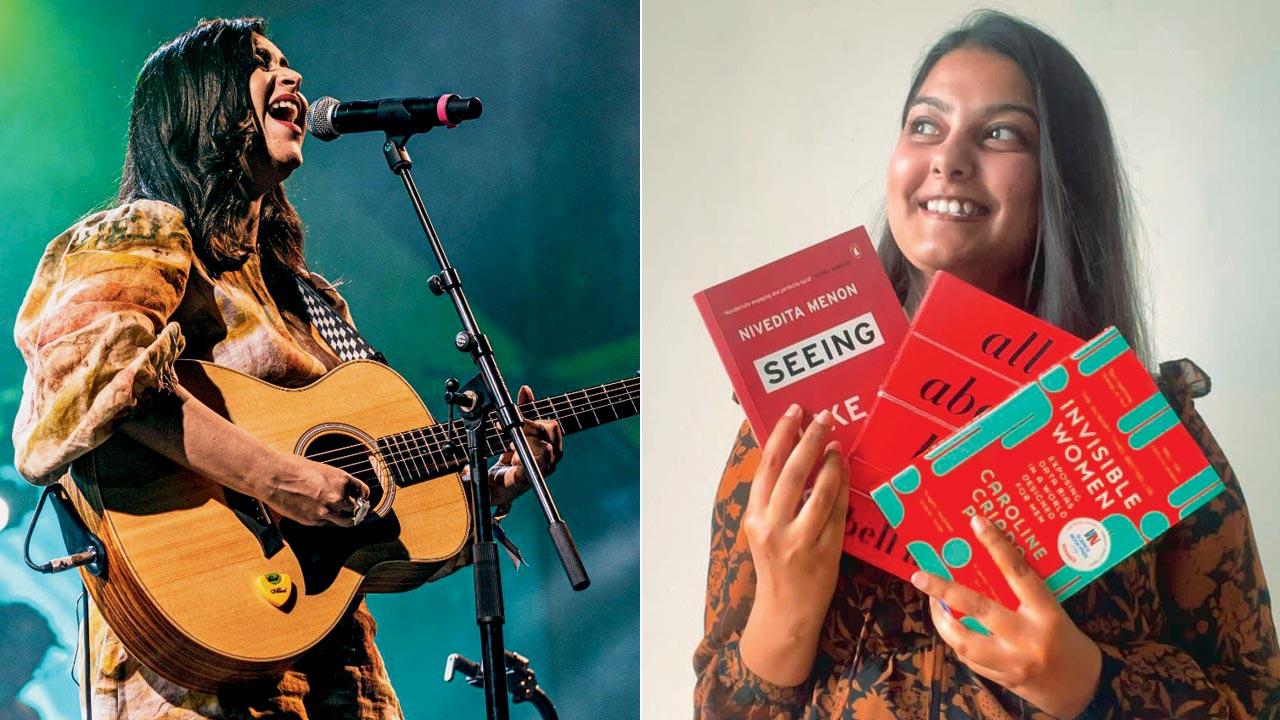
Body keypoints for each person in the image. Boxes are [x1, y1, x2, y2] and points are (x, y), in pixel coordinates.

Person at [694, 10, 1280, 719]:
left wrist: (1083, 682)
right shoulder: (798, 414)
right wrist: (784, 609)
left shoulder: (1151, 429)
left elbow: (1256, 701)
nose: (948, 157)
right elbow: (718, 705)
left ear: (1064, 179)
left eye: (1000, 133)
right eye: (925, 125)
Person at [12, 18, 561, 719]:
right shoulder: (139, 231)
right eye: (263, 64)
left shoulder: (306, 297)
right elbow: (83, 383)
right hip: (188, 668)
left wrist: (493, 486)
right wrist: (283, 478)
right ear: (201, 100)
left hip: (332, 663)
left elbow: (374, 531)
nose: (295, 76)